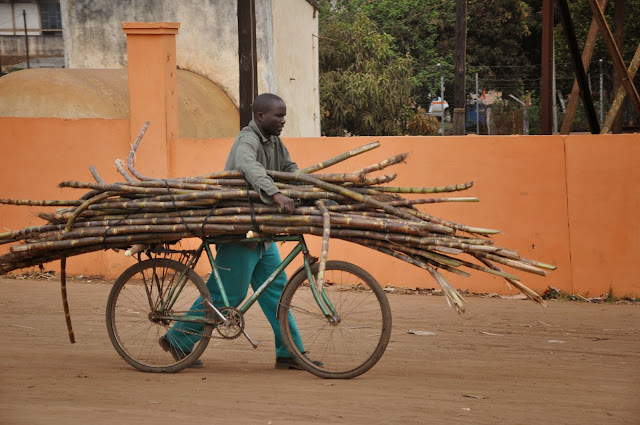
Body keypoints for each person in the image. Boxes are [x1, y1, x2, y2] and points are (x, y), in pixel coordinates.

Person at [161, 93, 318, 370]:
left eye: (284, 116)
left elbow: (290, 169)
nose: (283, 121)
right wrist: (276, 194)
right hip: (239, 231)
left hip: (261, 234)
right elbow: (249, 166)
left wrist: (312, 190)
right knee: (228, 296)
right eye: (278, 116)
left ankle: (289, 352)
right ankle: (178, 339)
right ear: (260, 117)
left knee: (277, 293)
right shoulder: (247, 139)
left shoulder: (276, 143)